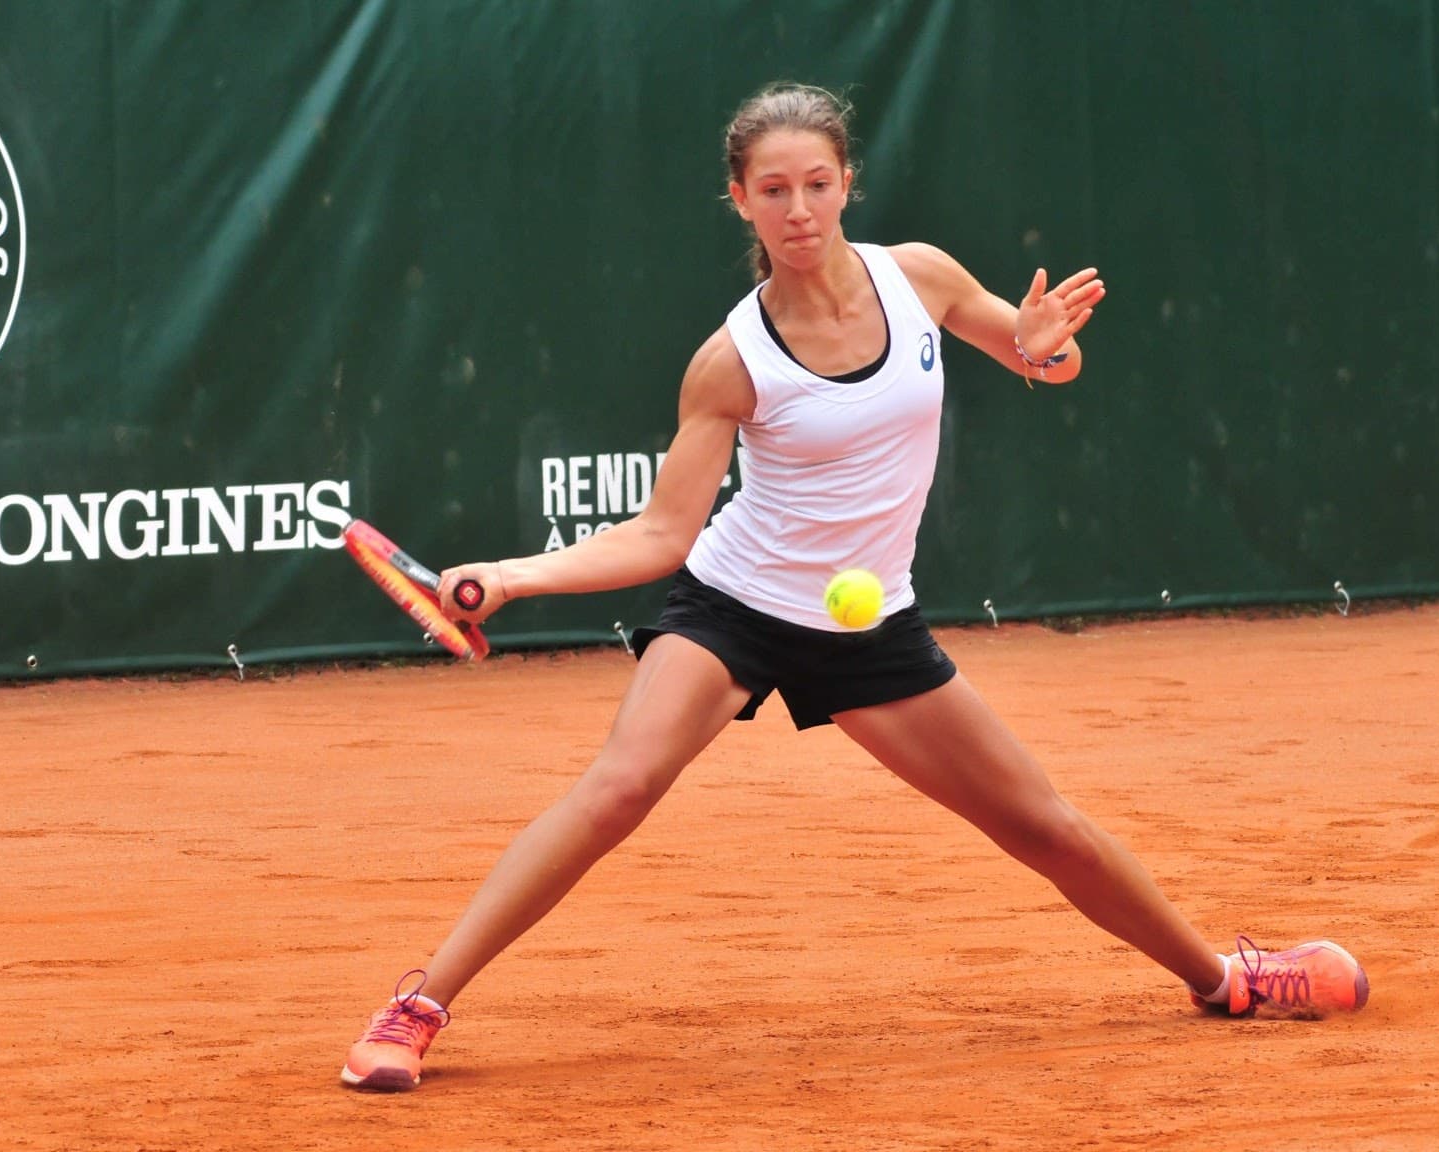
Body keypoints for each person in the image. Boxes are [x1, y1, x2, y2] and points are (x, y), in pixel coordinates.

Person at [340, 82, 1367, 1093]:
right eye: (773, 190)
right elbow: (662, 533)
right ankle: (416, 1006)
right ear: (739, 199)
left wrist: (1045, 350)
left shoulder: (916, 278)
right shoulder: (728, 363)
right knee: (616, 789)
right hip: (733, 608)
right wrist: (513, 578)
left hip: (869, 622)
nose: (798, 210)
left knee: (1043, 826)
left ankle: (1223, 980)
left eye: (815, 185)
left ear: (845, 187)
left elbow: (1030, 351)